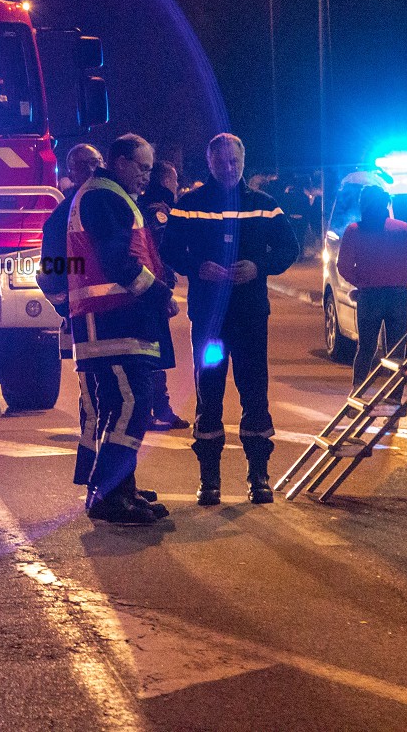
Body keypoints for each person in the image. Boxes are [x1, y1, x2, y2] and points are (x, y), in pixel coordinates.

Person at [161, 133, 299, 506]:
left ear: (243, 160)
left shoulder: (264, 206)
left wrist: (258, 267)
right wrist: (195, 267)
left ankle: (259, 477)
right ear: (210, 163)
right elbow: (168, 249)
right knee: (209, 394)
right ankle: (210, 481)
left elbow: (290, 248)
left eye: (234, 161)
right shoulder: (188, 205)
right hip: (209, 320)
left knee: (255, 392)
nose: (228, 168)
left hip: (251, 317)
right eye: (221, 162)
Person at [68, 134, 175, 525]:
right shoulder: (104, 196)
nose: (147, 177)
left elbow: (130, 254)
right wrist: (159, 292)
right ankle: (108, 494)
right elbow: (117, 260)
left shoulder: (107, 195)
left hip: (115, 319)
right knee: (132, 404)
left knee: (119, 406)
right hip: (112, 320)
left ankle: (120, 491)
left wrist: (162, 278)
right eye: (143, 168)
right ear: (122, 161)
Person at [336, 184, 407, 388]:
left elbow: (342, 266)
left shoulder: (354, 231)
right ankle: (394, 396)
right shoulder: (403, 229)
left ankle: (358, 391)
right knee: (397, 349)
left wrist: (361, 282)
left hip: (370, 296)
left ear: (363, 204)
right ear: (385, 203)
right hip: (398, 295)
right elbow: (406, 259)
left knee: (366, 347)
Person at [39, 143, 103, 357]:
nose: (92, 170)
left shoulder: (117, 203)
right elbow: (50, 273)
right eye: (84, 165)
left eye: (96, 163)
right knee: (92, 386)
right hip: (84, 321)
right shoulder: (60, 218)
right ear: (71, 173)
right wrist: (66, 307)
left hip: (115, 318)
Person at [138, 161, 187, 431]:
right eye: (175, 181)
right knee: (154, 352)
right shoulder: (159, 210)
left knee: (153, 352)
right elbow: (164, 248)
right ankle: (158, 410)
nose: (177, 186)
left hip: (148, 287)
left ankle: (156, 409)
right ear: (166, 181)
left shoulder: (144, 205)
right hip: (152, 289)